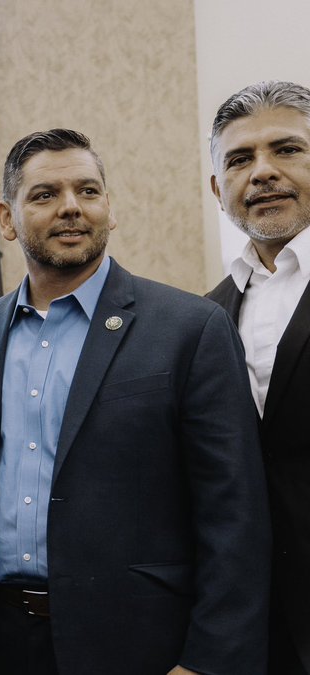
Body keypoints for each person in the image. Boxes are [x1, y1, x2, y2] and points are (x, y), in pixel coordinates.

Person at [0, 128, 270, 675]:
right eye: (45, 195)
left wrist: (209, 660)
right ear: (7, 219)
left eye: (87, 191)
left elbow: (235, 513)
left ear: (110, 208)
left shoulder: (190, 329)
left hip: (138, 642)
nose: (71, 207)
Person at [206, 80, 310, 675]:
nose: (263, 172)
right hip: (255, 628)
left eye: (287, 149)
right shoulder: (204, 314)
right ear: (217, 188)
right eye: (240, 159)